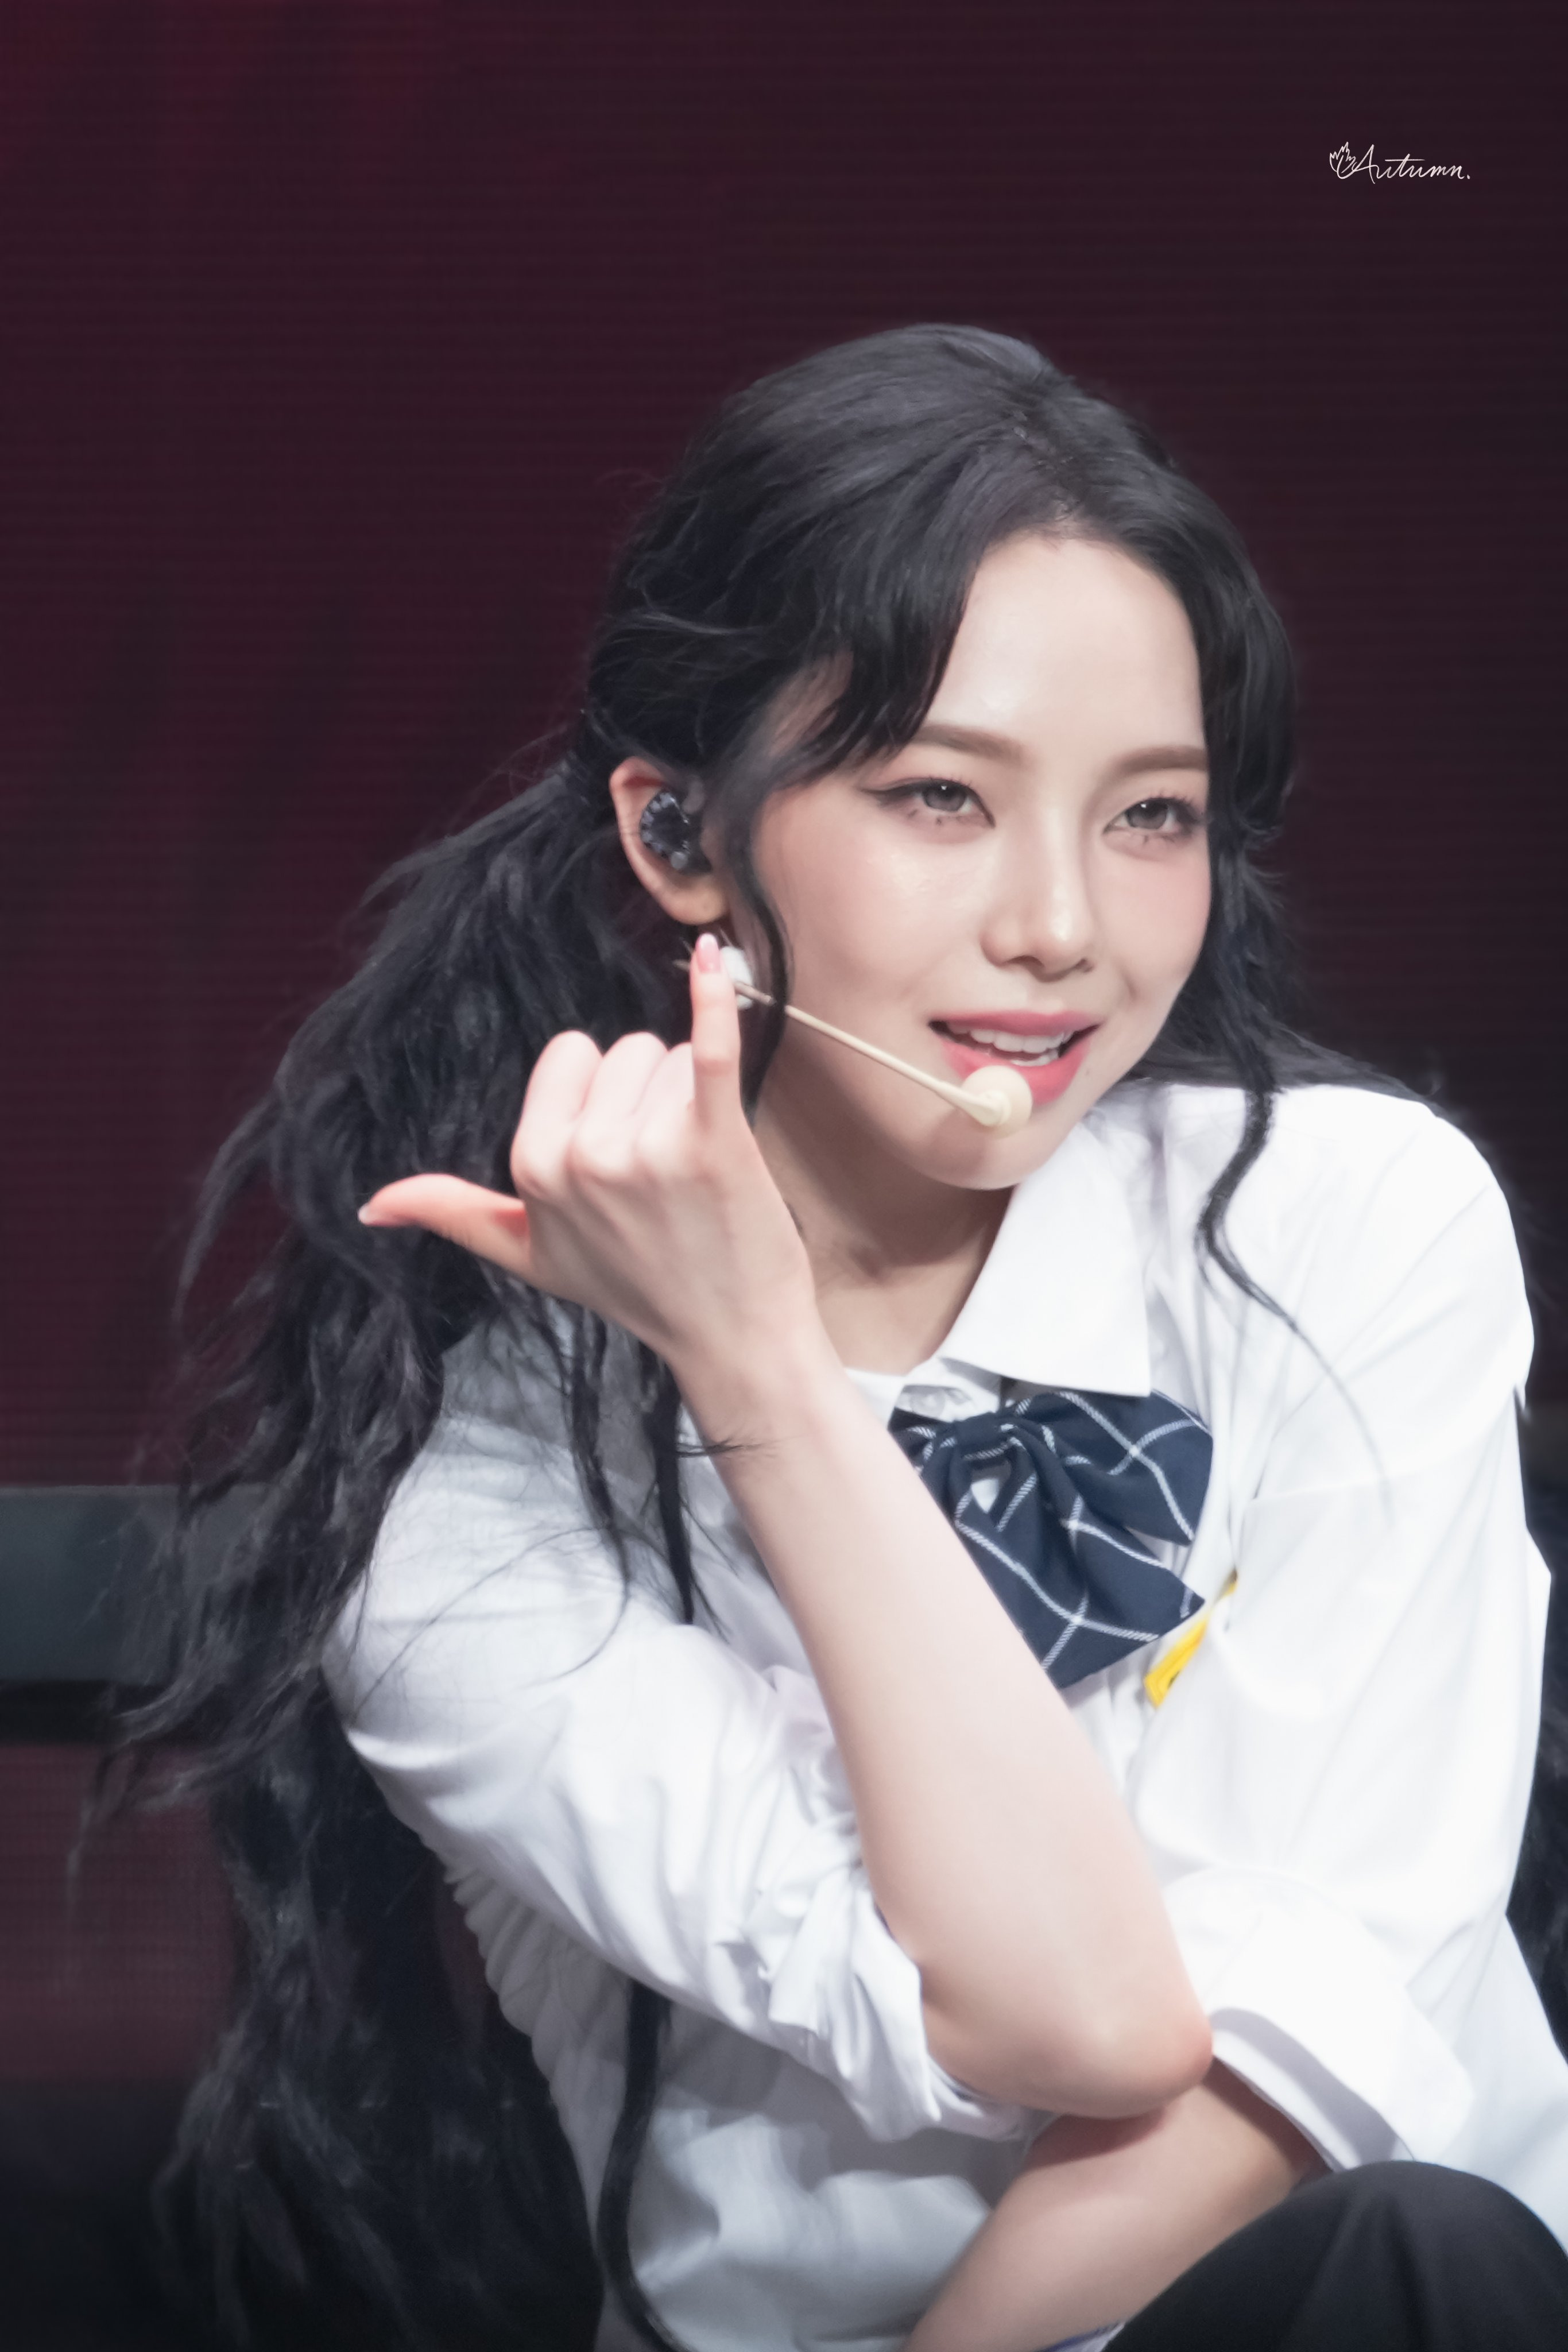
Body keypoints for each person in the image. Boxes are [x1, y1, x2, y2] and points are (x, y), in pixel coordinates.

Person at [129, 326, 1568, 2352]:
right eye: (937, 795)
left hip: (1385, 2302)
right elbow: (1081, 2021)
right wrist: (763, 1379)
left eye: (1151, 817)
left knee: (1404, 2254)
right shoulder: (464, 1508)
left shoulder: (1339, 1227)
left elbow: (1318, 2030)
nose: (1060, 925)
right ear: (678, 837)